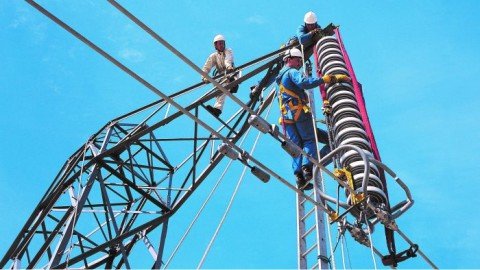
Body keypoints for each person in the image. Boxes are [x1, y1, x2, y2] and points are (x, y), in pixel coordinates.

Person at [275, 48, 351, 190]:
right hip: (299, 113)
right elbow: (304, 83)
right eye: (298, 60)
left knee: (296, 147)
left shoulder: (278, 81)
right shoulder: (292, 72)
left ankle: (299, 178)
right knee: (311, 139)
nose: (299, 64)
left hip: (287, 119)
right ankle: (308, 167)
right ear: (289, 59)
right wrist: (325, 79)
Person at [202, 34, 238, 117]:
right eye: (219, 43)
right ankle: (217, 110)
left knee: (224, 84)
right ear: (215, 45)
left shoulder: (228, 51)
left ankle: (234, 85)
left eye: (222, 43)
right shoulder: (213, 56)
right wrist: (204, 77)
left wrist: (229, 67)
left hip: (231, 74)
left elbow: (228, 60)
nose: (221, 45)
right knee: (219, 90)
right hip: (222, 77)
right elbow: (206, 67)